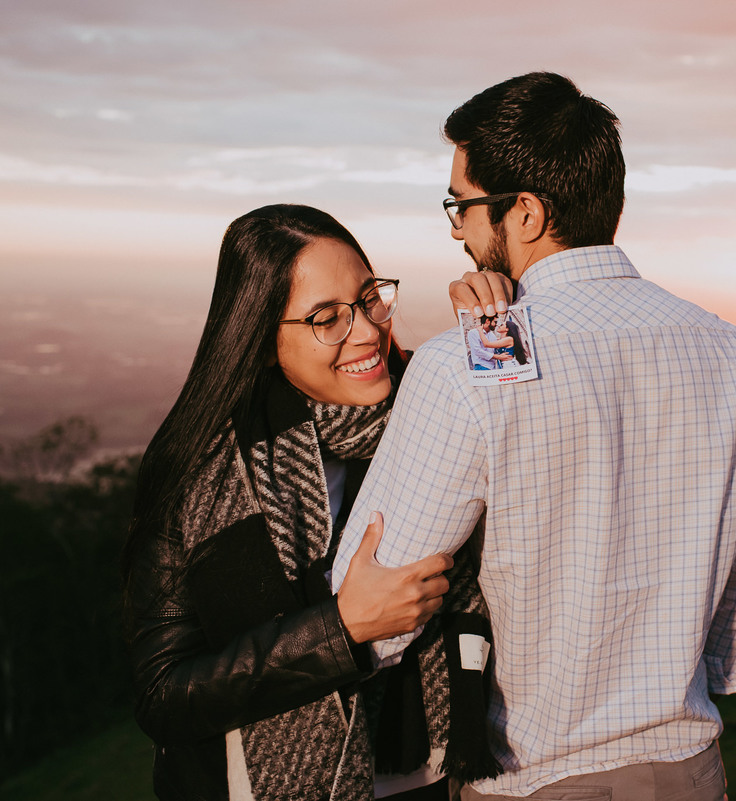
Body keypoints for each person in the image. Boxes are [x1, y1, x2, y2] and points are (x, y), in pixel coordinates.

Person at [332, 73, 736, 801]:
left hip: (535, 777)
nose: (455, 229)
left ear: (528, 213)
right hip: (689, 772)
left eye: (463, 206)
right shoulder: (733, 351)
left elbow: (371, 608)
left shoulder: (463, 365)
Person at [122, 204, 497, 801]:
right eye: (327, 318)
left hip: (429, 776)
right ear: (263, 340)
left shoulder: (434, 413)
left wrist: (492, 334)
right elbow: (163, 693)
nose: (369, 331)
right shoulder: (201, 468)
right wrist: (342, 629)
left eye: (371, 297)